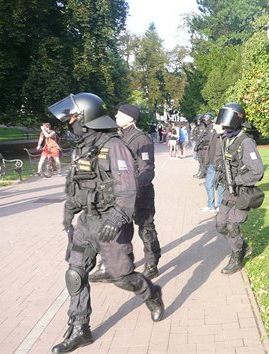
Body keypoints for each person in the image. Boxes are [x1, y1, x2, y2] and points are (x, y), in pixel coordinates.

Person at [48, 92, 164, 353]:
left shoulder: (114, 145)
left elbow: (128, 187)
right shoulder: (82, 147)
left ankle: (152, 294)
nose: (70, 123)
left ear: (87, 117)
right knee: (75, 273)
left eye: (74, 117)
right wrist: (69, 208)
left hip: (112, 223)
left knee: (121, 277)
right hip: (87, 223)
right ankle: (80, 329)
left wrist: (118, 216)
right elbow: (78, 183)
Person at [89, 104, 162, 282]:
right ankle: (120, 265)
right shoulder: (116, 137)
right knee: (120, 229)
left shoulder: (141, 139)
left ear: (131, 118)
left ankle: (152, 264)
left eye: (120, 114)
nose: (116, 115)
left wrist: (132, 187)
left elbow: (148, 171)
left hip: (140, 193)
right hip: (119, 194)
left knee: (146, 228)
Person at [214, 102, 264, 274]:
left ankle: (237, 256)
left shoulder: (246, 142)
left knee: (232, 225)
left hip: (242, 192)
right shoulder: (226, 139)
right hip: (228, 190)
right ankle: (242, 246)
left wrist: (238, 179)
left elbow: (257, 171)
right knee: (220, 225)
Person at [202, 113, 224, 212]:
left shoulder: (223, 135)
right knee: (208, 184)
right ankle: (210, 204)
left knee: (219, 184)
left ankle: (219, 205)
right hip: (211, 163)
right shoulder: (213, 133)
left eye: (215, 123)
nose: (213, 125)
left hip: (219, 164)